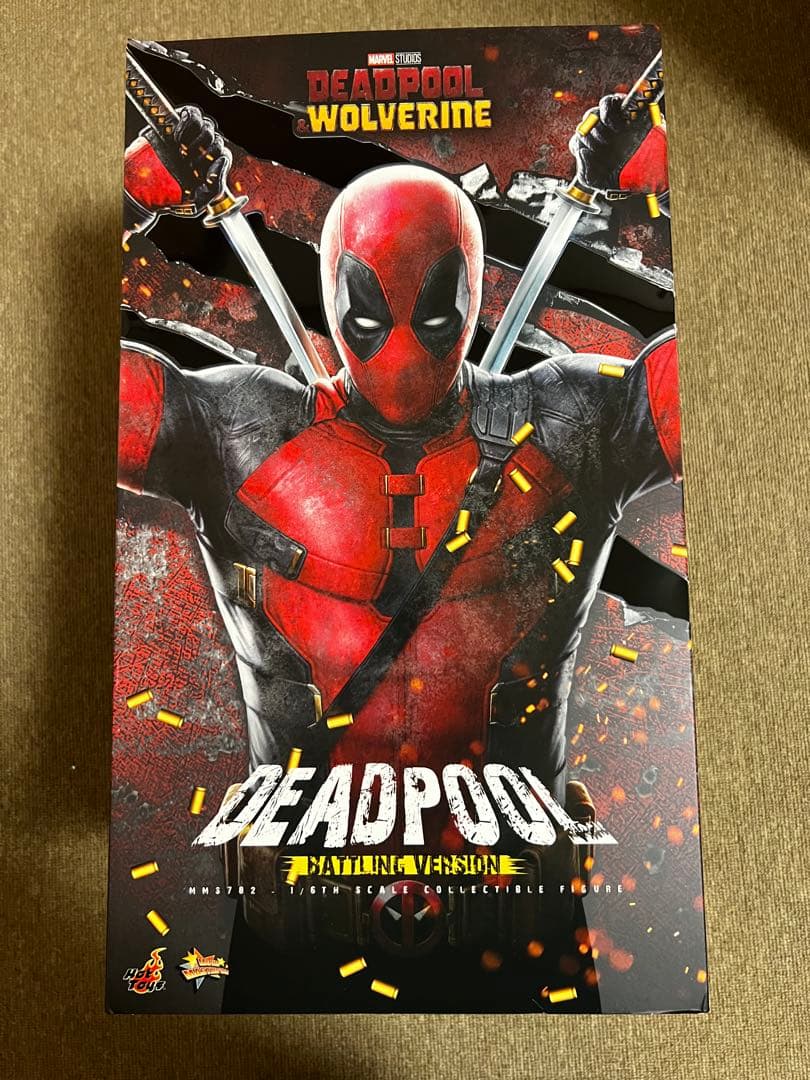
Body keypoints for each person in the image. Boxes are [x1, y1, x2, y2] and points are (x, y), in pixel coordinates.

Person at [118, 96, 677, 1011]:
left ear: (471, 294)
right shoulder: (233, 429)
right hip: (298, 947)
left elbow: (755, 373)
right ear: (336, 298)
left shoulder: (575, 419)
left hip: (521, 937)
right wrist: (125, 191)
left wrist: (666, 172)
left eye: (433, 313)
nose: (405, 349)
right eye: (375, 314)